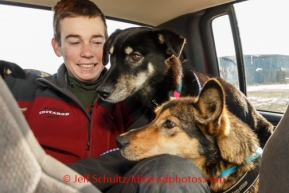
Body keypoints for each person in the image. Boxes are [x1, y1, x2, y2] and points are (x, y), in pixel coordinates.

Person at [0, 0, 210, 192]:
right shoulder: (23, 89)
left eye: (97, 42)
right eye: (74, 42)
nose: (88, 52)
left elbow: (145, 153)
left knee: (174, 169)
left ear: (109, 48)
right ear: (57, 47)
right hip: (45, 188)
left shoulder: (139, 101)